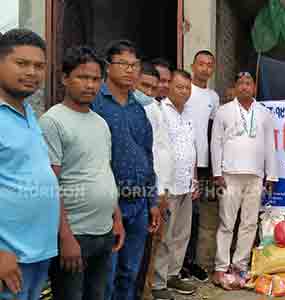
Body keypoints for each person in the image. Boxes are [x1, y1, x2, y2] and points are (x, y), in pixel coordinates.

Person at [39, 46, 124, 300]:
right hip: (74, 235)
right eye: (82, 77)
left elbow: (104, 172)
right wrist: (64, 236)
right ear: (65, 78)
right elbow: (50, 184)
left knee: (98, 295)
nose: (90, 85)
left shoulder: (100, 123)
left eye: (96, 79)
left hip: (103, 232)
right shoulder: (53, 121)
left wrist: (116, 218)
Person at [91, 40, 161, 300]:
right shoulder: (96, 104)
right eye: (124, 64)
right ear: (108, 67)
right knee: (105, 278)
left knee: (129, 274)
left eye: (135, 65)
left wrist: (152, 201)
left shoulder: (138, 109)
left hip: (139, 204)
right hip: (108, 203)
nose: (131, 70)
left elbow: (147, 155)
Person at [0, 28, 60, 300]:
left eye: (39, 66)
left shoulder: (28, 113)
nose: (32, 72)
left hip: (38, 252)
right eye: (21, 63)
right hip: (8, 258)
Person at [211, 71, 278, 290]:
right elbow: (216, 143)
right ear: (234, 88)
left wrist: (272, 174)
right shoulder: (223, 111)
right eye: (240, 83)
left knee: (249, 223)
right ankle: (221, 267)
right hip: (229, 174)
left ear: (254, 88)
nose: (244, 87)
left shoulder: (264, 113)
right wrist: (217, 173)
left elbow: (270, 145)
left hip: (256, 175)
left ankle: (239, 266)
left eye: (248, 83)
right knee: (226, 222)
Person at [151, 70, 199, 299]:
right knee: (164, 237)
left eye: (187, 88)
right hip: (167, 185)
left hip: (187, 184)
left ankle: (173, 275)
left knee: (182, 234)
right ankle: (158, 283)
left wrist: (195, 178)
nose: (184, 91)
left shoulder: (189, 113)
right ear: (169, 86)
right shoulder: (159, 111)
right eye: (180, 87)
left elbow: (192, 148)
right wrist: (159, 187)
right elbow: (157, 150)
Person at [133, 62, 174, 300]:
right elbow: (147, 154)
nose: (148, 91)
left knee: (154, 245)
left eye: (152, 86)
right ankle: (142, 292)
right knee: (142, 248)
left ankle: (147, 290)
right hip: (149, 189)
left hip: (162, 188)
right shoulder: (140, 109)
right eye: (144, 86)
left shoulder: (156, 107)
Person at [179, 50, 220, 283]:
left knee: (196, 215)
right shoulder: (185, 89)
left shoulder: (213, 97)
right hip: (182, 160)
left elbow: (213, 130)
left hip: (202, 163)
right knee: (180, 214)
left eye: (209, 65)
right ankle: (178, 264)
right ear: (193, 66)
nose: (205, 68)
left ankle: (190, 262)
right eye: (201, 64)